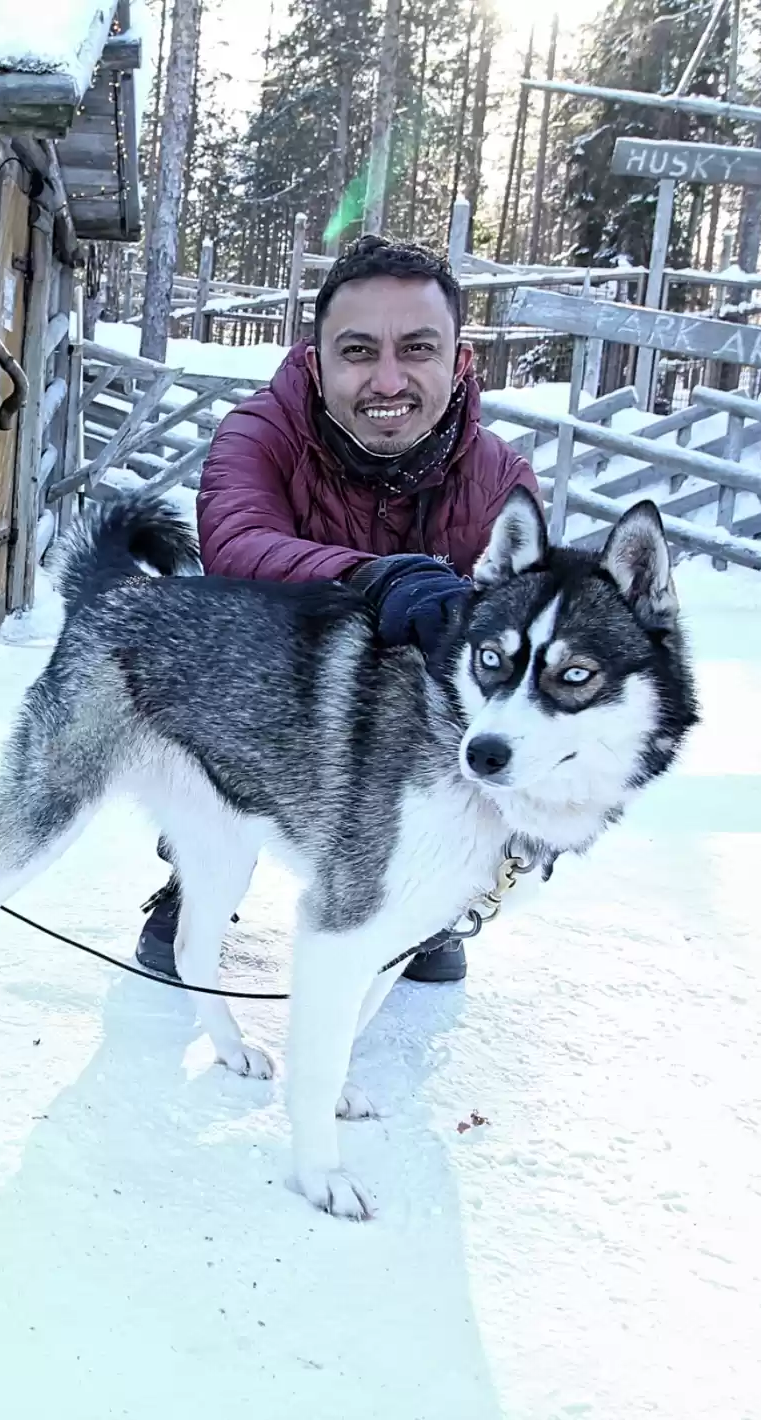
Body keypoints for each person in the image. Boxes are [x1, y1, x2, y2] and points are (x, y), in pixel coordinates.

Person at [137, 234, 540, 984]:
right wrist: (375, 578)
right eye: (358, 351)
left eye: (417, 348)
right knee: (212, 655)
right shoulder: (259, 434)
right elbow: (236, 546)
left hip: (413, 706)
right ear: (318, 361)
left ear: (459, 362)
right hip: (274, 681)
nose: (387, 378)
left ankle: (428, 891)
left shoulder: (500, 479)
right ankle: (201, 865)